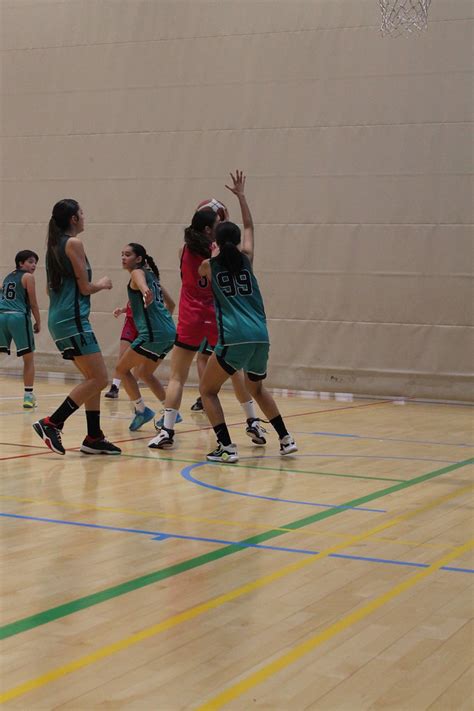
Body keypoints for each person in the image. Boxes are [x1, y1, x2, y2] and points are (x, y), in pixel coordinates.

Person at [198, 171, 297, 462]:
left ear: (214, 238)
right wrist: (241, 196)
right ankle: (286, 438)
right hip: (261, 336)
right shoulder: (247, 258)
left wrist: (208, 234)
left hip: (234, 336)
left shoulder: (209, 265)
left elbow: (200, 270)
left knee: (207, 390)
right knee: (255, 386)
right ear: (238, 240)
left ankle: (226, 447)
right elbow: (250, 225)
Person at [148, 206, 266, 450]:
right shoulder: (222, 256)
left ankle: (167, 429)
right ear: (209, 230)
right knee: (235, 372)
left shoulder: (183, 251)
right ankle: (252, 420)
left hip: (191, 316)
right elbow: (233, 234)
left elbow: (202, 236)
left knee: (177, 376)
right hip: (216, 316)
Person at [32, 199, 121, 455]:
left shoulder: (54, 246)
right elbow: (85, 287)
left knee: (92, 379)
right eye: (81, 212)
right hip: (72, 320)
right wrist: (102, 283)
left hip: (62, 319)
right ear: (73, 219)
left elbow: (51, 289)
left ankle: (94, 437)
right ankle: (52, 423)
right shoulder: (73, 243)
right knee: (101, 378)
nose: (84, 215)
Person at [113, 243, 177, 431]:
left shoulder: (138, 273)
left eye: (128, 255)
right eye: (122, 254)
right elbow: (171, 304)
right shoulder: (154, 278)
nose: (123, 258)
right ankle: (171, 411)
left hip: (153, 333)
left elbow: (139, 280)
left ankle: (142, 411)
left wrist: (144, 291)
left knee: (121, 369)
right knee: (144, 373)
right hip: (169, 332)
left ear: (139, 259)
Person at [0, 250, 41, 408]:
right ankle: (28, 396)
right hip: (18, 317)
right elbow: (33, 303)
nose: (34, 265)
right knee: (28, 359)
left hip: (1, 316)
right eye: (30, 261)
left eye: (35, 262)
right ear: (21, 263)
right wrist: (38, 321)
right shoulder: (28, 277)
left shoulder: (9, 276)